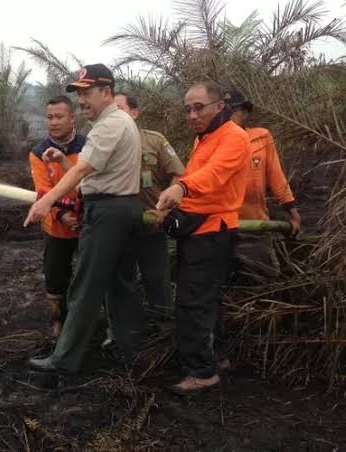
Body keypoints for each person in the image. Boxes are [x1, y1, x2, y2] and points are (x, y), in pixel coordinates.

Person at [24, 64, 142, 374]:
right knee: (121, 284)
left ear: (107, 92)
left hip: (108, 212)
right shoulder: (120, 122)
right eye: (79, 94)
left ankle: (64, 360)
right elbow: (87, 170)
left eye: (87, 93)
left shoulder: (108, 125)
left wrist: (47, 200)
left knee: (84, 288)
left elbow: (82, 171)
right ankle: (124, 349)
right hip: (124, 208)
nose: (83, 101)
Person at [155, 81, 251, 394]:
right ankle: (215, 357)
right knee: (207, 298)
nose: (192, 115)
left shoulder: (234, 137)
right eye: (188, 109)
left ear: (219, 106)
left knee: (193, 301)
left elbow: (212, 175)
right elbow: (193, 175)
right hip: (199, 228)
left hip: (213, 231)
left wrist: (181, 188)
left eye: (199, 108)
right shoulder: (205, 138)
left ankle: (201, 371)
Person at [99, 92, 186, 357]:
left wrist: (165, 206)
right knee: (119, 285)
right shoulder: (103, 141)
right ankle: (122, 336)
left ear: (135, 113)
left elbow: (180, 174)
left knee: (157, 282)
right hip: (117, 232)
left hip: (152, 228)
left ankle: (165, 335)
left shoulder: (154, 141)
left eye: (120, 109)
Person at [225, 90, 301, 280]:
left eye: (235, 110)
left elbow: (276, 176)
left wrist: (292, 211)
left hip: (255, 225)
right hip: (221, 227)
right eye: (226, 111)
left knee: (265, 279)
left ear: (245, 113)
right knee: (226, 283)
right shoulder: (208, 141)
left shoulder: (261, 138)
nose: (231, 115)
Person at [29, 95, 86, 337]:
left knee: (88, 274)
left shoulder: (87, 146)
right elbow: (42, 190)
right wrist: (61, 214)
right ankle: (58, 322)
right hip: (56, 227)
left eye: (59, 116)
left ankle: (86, 319)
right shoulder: (38, 152)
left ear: (72, 117)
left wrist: (82, 212)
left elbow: (92, 181)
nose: (53, 122)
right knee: (55, 277)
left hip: (87, 224)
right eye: (49, 117)